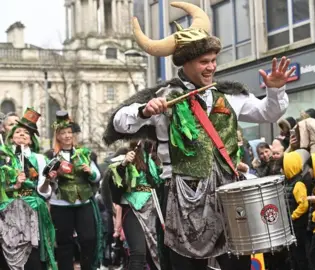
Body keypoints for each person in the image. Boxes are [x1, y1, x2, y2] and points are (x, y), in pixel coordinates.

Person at [102, 2, 294, 269]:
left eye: (214, 61)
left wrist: (275, 90)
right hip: (181, 199)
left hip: (226, 195)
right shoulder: (165, 99)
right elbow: (119, 123)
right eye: (204, 62)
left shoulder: (227, 95)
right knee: (185, 265)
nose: (211, 67)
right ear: (187, 63)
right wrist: (145, 111)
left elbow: (268, 112)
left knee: (236, 262)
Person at [0, 108, 57, 270]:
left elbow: (44, 191)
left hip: (33, 209)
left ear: (31, 140)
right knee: (8, 251)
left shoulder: (39, 159)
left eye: (26, 133)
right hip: (7, 210)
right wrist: (14, 185)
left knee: (33, 253)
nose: (22, 135)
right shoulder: (3, 157)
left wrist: (47, 180)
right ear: (11, 137)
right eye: (18, 132)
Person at [46, 110, 103, 270]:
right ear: (57, 136)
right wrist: (54, 175)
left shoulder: (85, 153)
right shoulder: (51, 155)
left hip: (83, 201)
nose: (67, 136)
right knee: (64, 243)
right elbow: (45, 180)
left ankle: (87, 267)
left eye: (69, 132)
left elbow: (97, 176)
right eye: (63, 133)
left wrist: (89, 172)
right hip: (61, 203)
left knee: (89, 238)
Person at [107, 140, 164, 269]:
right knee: (138, 253)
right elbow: (115, 187)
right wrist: (124, 164)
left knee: (157, 255)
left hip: (155, 210)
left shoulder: (159, 155)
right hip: (133, 208)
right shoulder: (126, 156)